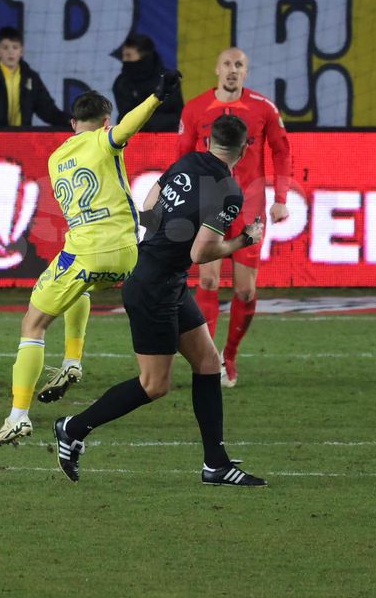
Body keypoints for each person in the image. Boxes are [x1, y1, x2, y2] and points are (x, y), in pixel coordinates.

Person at [53, 114, 267, 487]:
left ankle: (215, 464)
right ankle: (73, 427)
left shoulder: (185, 163)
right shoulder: (229, 190)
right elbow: (201, 253)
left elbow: (148, 211)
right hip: (155, 286)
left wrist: (170, 239)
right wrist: (245, 240)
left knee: (207, 362)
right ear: (245, 149)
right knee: (155, 385)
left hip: (159, 274)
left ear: (207, 140)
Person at [0, 79, 178, 445]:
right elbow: (127, 129)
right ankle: (72, 360)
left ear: (73, 124)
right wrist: (155, 97)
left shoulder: (56, 156)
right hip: (127, 253)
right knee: (82, 288)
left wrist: (153, 96)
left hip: (86, 250)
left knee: (33, 324)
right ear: (106, 120)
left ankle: (18, 417)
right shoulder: (106, 138)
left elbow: (119, 132)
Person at [178, 47, 291, 388]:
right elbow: (182, 157)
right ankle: (207, 361)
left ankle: (230, 355)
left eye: (238, 65)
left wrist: (281, 198)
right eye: (226, 63)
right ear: (216, 68)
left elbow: (282, 150)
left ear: (246, 71)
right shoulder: (196, 108)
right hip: (207, 205)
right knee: (208, 281)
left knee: (244, 291)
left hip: (250, 207)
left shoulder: (263, 108)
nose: (232, 70)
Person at [0, 26, 71, 128]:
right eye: (5, 47)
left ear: (21, 51)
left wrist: (71, 121)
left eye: (15, 47)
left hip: (21, 140)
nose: (10, 52)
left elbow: (47, 109)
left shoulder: (31, 78)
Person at [112, 33, 183, 132]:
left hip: (170, 138)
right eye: (123, 56)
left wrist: (147, 123)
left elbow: (178, 114)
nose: (124, 60)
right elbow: (127, 120)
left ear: (144, 56)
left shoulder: (168, 79)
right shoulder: (121, 83)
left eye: (128, 55)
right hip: (135, 140)